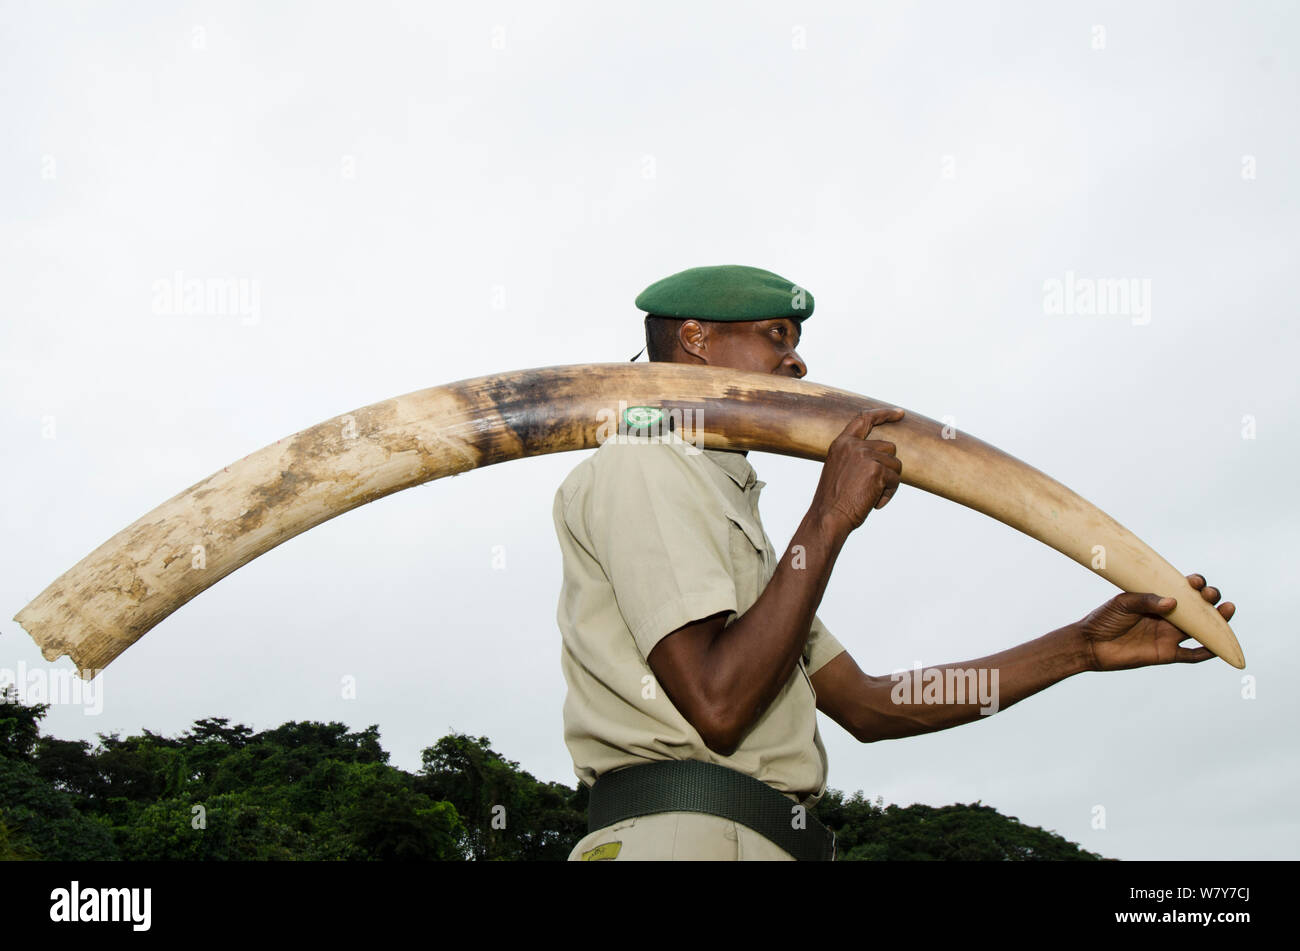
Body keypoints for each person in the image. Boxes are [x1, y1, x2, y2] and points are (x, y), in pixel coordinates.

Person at [552, 264, 1235, 861]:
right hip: (685, 839)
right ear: (696, 339)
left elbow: (873, 705)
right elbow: (718, 702)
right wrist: (829, 516)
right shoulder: (646, 459)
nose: (798, 364)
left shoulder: (730, 510)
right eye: (777, 336)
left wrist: (1080, 648)